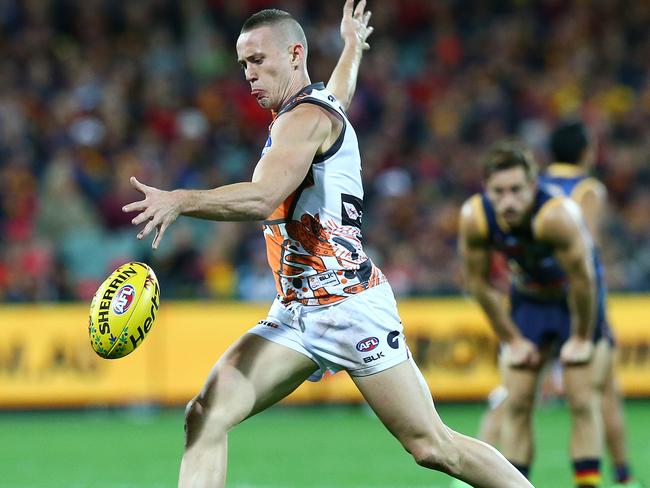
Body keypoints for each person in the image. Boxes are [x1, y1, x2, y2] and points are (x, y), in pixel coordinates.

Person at [123, 2, 533, 487]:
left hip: (349, 306)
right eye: (242, 65)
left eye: (257, 60)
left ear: (295, 54)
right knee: (205, 414)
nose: (248, 75)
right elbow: (342, 87)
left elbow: (263, 197)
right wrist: (352, 48)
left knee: (431, 446)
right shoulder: (315, 106)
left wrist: (180, 200)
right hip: (295, 313)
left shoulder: (304, 121)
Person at [456, 123, 642, 488]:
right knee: (518, 400)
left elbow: (585, 280)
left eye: (515, 190)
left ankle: (597, 482)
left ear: (533, 186)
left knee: (581, 398)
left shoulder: (557, 216)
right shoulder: (475, 217)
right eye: (498, 192)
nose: (507, 201)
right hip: (528, 303)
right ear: (486, 190)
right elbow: (478, 283)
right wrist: (512, 339)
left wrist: (582, 336)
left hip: (575, 304)